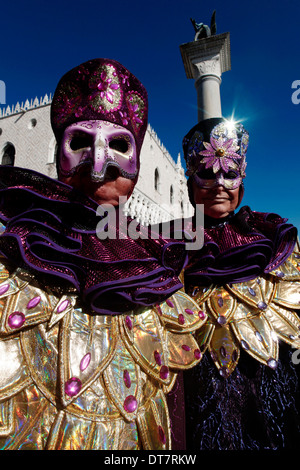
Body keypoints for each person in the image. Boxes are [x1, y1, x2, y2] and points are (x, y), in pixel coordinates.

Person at [0, 58, 206, 450]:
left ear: (138, 164)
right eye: (79, 142)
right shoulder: (12, 262)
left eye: (119, 145)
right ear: (58, 154)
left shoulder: (160, 274)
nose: (99, 165)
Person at [180, 117, 300, 450]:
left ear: (241, 183)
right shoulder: (171, 251)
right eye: (206, 172)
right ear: (191, 183)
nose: (219, 183)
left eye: (230, 173)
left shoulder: (274, 243)